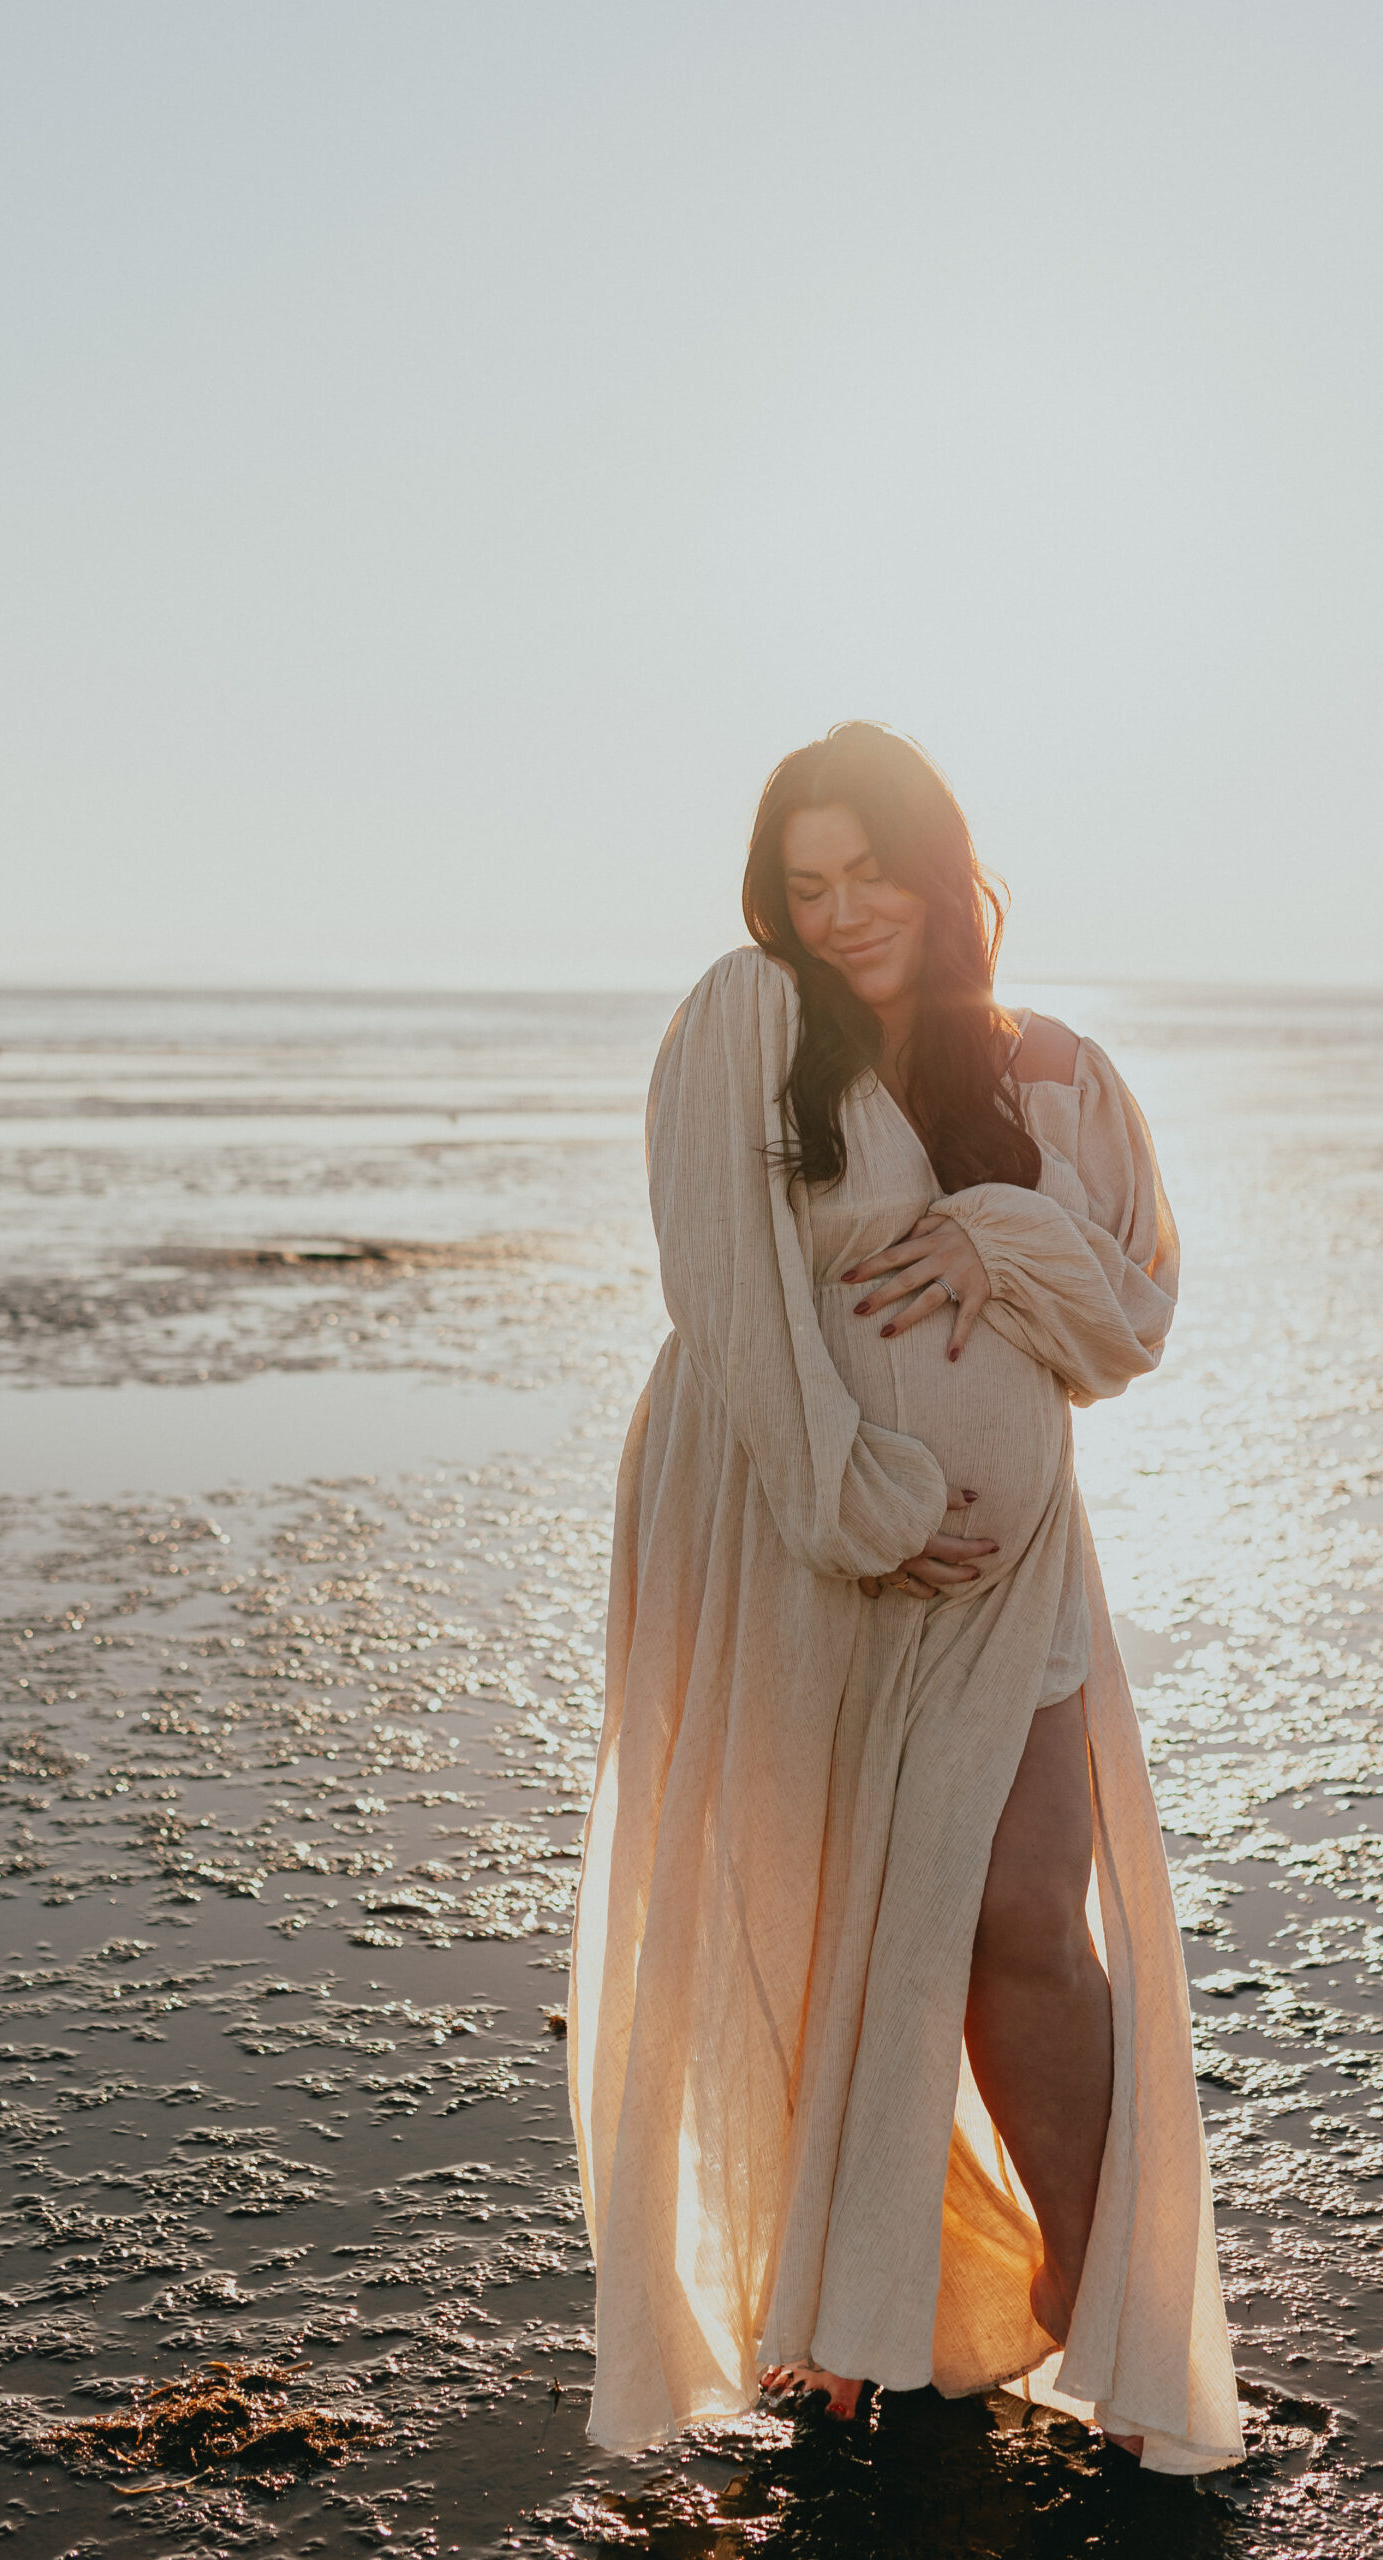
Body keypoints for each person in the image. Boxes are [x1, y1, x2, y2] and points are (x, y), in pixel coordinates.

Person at [567, 722, 1242, 2473]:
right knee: (820, 1913)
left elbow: (1132, 1326)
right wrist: (864, 1502)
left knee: (1027, 1918)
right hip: (784, 1532)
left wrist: (1009, 1239)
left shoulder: (1055, 1066)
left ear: (943, 872)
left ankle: (1101, 2304)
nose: (844, 909)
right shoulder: (748, 1022)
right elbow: (727, 1296)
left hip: (1013, 1565)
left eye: (873, 872)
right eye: (809, 882)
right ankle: (853, 2326)